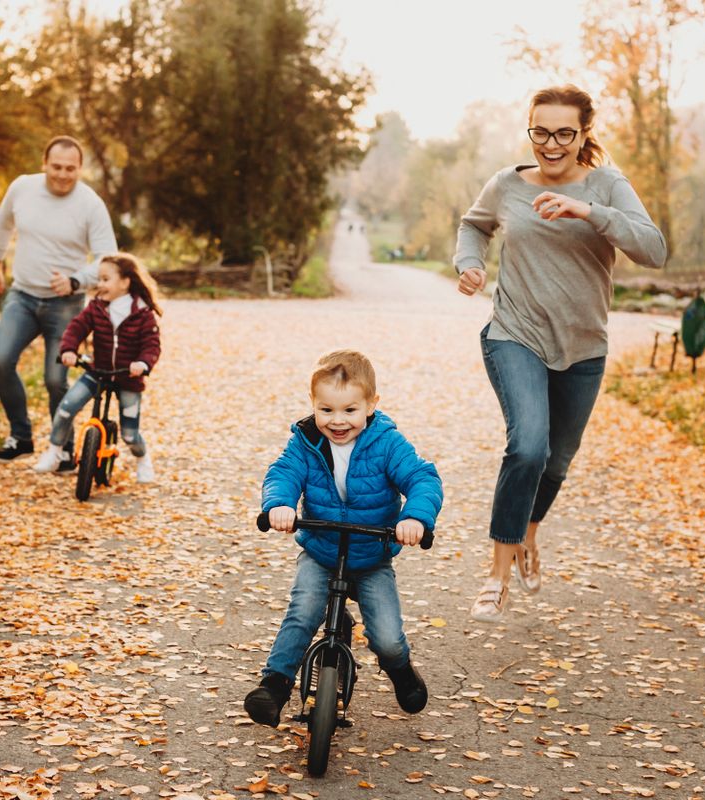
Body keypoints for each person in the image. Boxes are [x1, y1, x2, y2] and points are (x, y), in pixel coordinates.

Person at [453, 84, 667, 622]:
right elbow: (473, 226)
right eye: (541, 131)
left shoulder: (607, 184)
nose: (551, 144)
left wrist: (590, 211)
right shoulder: (508, 183)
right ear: (530, 130)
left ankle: (528, 534)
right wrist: (468, 263)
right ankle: (496, 576)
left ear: (583, 134)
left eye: (563, 133)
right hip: (515, 333)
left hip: (583, 346)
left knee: (557, 460)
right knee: (527, 447)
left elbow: (654, 249)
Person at [245, 350, 444, 727]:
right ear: (313, 406)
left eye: (350, 410)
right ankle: (274, 686)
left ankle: (400, 669)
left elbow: (422, 479)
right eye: (327, 410)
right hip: (322, 551)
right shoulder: (305, 442)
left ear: (371, 405)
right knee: (303, 612)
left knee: (386, 635)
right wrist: (279, 505)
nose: (338, 421)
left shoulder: (386, 443)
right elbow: (283, 474)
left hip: (372, 554)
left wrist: (415, 516)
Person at [0, 135, 118, 466]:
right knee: (1, 361)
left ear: (80, 169)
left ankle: (63, 449)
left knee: (56, 379)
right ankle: (20, 435)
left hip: (66, 305)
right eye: (56, 167)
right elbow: (1, 225)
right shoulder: (23, 188)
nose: (62, 174)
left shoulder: (90, 204)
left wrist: (77, 281)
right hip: (23, 296)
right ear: (44, 163)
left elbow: (108, 258)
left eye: (70, 169)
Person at [33, 253, 161, 483]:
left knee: (130, 435)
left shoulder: (143, 313)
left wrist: (142, 363)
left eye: (105, 279)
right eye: (99, 279)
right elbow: (77, 327)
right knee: (65, 408)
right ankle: (55, 451)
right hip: (97, 372)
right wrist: (69, 350)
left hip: (128, 377)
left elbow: (151, 345)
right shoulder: (97, 307)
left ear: (125, 282)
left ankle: (143, 460)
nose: (100, 285)